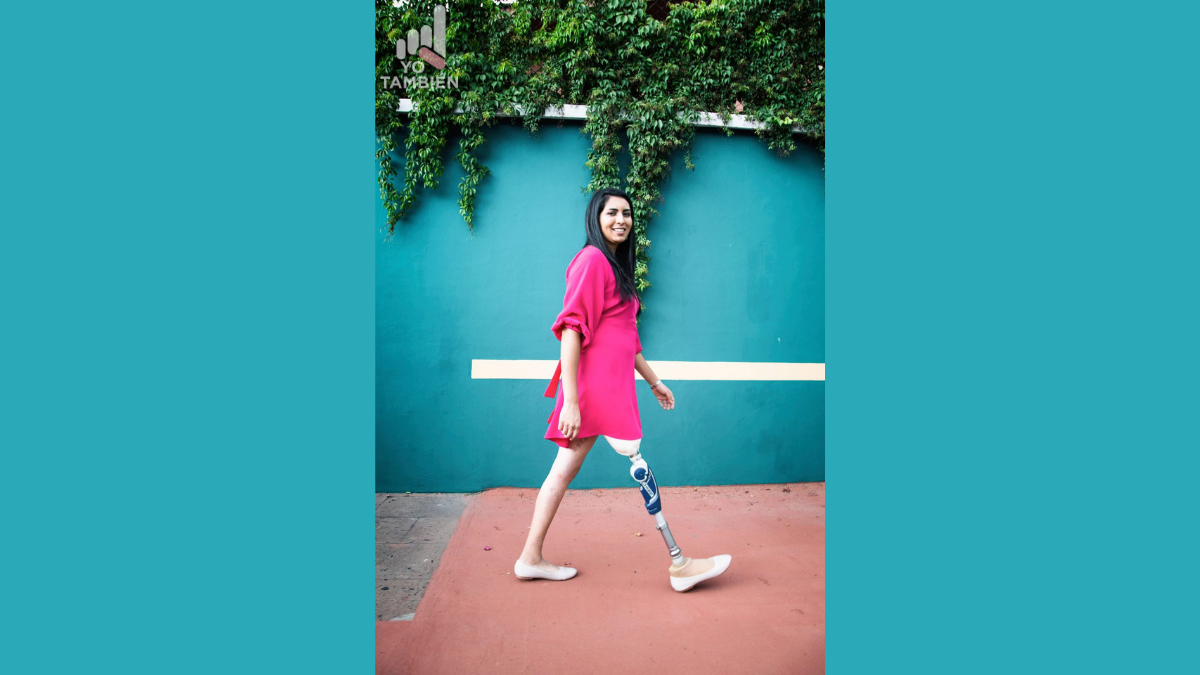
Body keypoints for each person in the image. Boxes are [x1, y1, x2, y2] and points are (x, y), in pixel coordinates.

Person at [514, 187, 731, 592]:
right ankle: (679, 563)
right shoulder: (592, 260)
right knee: (622, 467)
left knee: (566, 472)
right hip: (592, 390)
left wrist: (654, 381)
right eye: (612, 212)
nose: (621, 220)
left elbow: (626, 339)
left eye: (627, 213)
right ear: (595, 217)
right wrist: (573, 402)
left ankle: (530, 558)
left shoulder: (614, 268)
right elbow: (571, 330)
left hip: (611, 388)